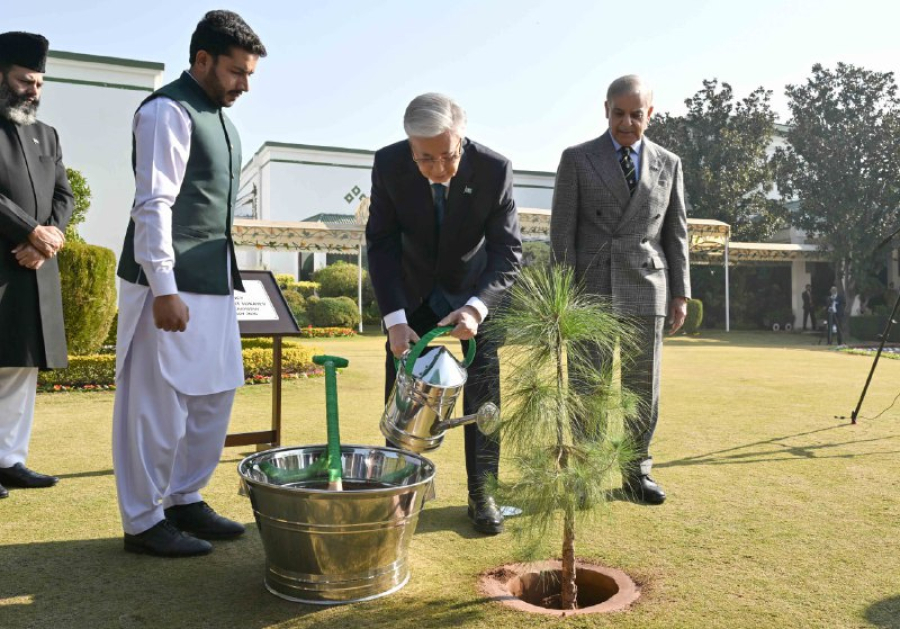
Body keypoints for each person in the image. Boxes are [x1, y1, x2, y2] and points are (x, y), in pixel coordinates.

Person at [112, 11, 266, 557]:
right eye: (235, 72)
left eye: (249, 74)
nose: (244, 85)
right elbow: (153, 204)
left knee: (214, 394)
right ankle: (143, 520)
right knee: (155, 406)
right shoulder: (166, 111)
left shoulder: (222, 119)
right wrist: (163, 288)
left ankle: (183, 497)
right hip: (168, 282)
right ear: (202, 60)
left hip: (216, 282)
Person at [366, 93, 522, 534]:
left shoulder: (494, 169)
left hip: (474, 299)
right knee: (402, 404)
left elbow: (507, 252)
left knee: (484, 401)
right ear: (409, 146)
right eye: (425, 158)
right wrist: (395, 319)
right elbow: (380, 244)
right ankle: (397, 494)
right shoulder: (389, 164)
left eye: (447, 157)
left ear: (463, 136)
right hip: (409, 300)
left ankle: (483, 493)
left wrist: (476, 308)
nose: (437, 169)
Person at [550, 75, 690, 506]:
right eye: (618, 113)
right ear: (605, 109)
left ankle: (636, 472)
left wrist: (681, 292)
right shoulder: (577, 159)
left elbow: (676, 232)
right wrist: (562, 298)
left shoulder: (669, 162)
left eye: (635, 114)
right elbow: (562, 234)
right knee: (588, 387)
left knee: (641, 388)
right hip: (591, 288)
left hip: (647, 286)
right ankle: (587, 474)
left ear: (650, 114)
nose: (626, 122)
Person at [0, 32, 74, 500]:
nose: (34, 90)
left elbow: (64, 195)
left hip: (33, 265)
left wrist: (49, 239)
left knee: (21, 368)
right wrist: (30, 230)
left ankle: (10, 459)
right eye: (26, 80)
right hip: (3, 261)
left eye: (40, 83)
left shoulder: (47, 134)